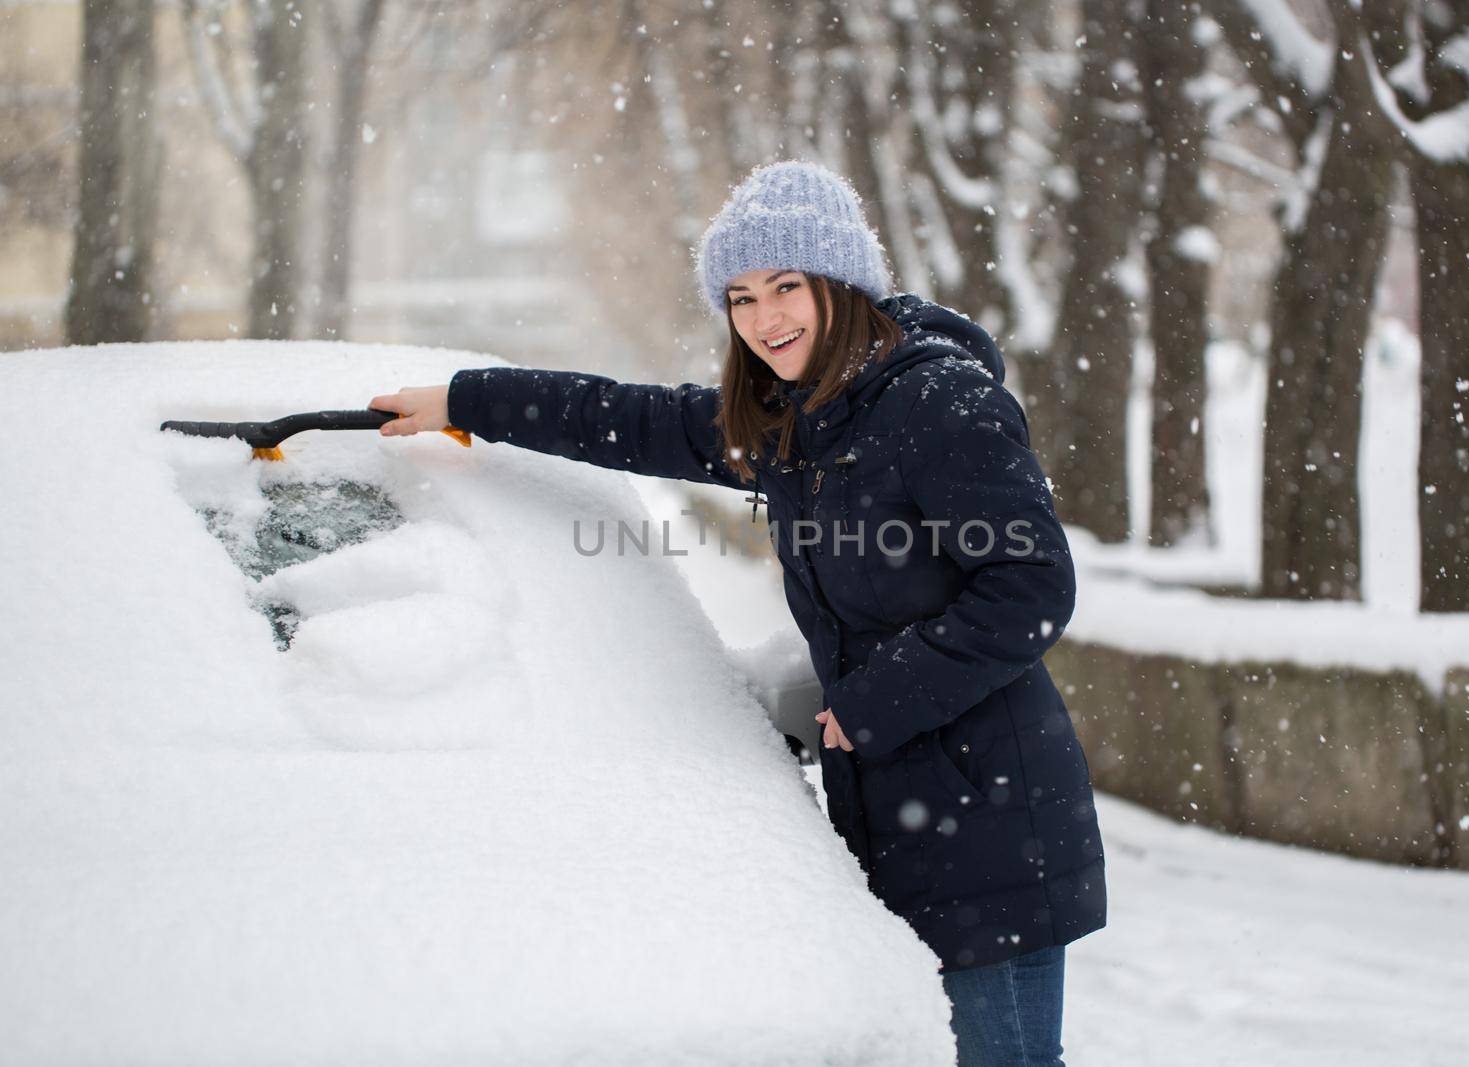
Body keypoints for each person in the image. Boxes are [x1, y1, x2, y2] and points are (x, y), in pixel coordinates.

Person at [368, 160, 1106, 1066]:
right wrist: (461, 401)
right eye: (742, 297)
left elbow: (1032, 586)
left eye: (787, 286)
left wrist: (876, 702)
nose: (765, 320)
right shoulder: (795, 424)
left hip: (990, 812)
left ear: (843, 282)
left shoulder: (937, 403)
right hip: (889, 812)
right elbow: (628, 420)